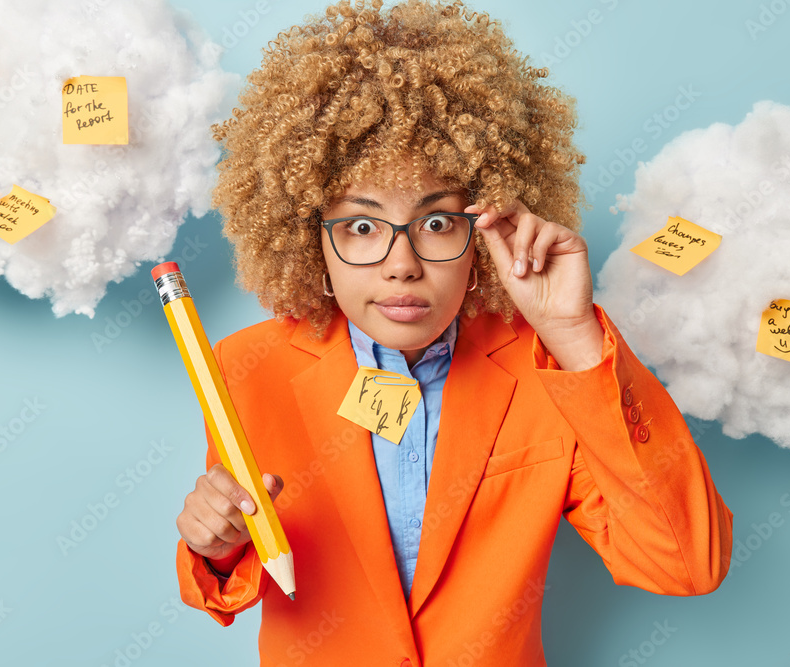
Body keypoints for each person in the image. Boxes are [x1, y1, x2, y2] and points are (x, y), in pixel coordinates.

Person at [174, 1, 733, 664]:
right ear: (308, 240)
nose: (402, 263)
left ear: (484, 232)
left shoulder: (542, 365)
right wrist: (216, 543)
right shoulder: (248, 366)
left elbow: (687, 563)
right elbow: (233, 570)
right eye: (360, 226)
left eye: (437, 223)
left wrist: (573, 332)